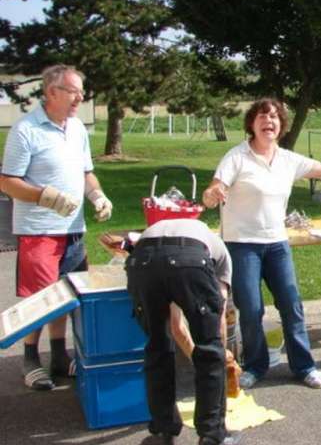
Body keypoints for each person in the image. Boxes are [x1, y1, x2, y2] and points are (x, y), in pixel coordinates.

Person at [202, 98, 321, 390]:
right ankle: (254, 366)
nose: (270, 121)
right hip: (242, 246)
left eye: (276, 117)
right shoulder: (236, 156)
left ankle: (304, 366)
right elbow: (216, 187)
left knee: (292, 305)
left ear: (281, 125)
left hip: (277, 244)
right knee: (251, 310)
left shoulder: (289, 160)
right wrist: (213, 194)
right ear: (252, 123)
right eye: (263, 116)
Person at [0, 64, 113, 391]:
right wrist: (44, 196)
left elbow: (85, 172)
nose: (80, 97)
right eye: (73, 91)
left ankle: (60, 357)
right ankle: (31, 358)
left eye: (81, 90)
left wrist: (97, 194)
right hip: (39, 231)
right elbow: (7, 182)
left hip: (73, 229)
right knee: (40, 299)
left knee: (66, 296)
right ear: (51, 92)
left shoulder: (76, 128)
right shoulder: (25, 130)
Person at [101, 219, 243, 445]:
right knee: (210, 350)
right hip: (188, 262)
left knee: (157, 347)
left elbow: (174, 325)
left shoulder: (173, 233)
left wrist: (190, 348)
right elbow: (218, 318)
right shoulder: (222, 256)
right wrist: (220, 353)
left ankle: (162, 431)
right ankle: (212, 434)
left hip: (142, 262)